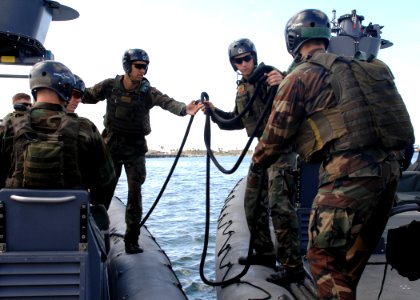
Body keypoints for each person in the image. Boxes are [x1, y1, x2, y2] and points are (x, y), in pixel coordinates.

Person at [251, 9, 414, 298]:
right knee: (350, 259)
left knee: (323, 258)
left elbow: (275, 137)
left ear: (292, 41)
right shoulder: (367, 66)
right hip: (388, 174)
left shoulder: (300, 76)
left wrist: (257, 162)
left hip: (349, 175)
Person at [82, 48, 203, 254]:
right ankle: (93, 236)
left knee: (135, 194)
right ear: (127, 67)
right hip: (111, 146)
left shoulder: (147, 91)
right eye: (138, 66)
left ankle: (132, 240)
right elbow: (86, 95)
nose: (143, 70)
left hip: (135, 148)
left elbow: (167, 102)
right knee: (102, 192)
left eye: (145, 67)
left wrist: (185, 109)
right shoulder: (110, 86)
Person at [203, 38, 303, 279]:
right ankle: (265, 252)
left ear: (254, 58)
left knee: (280, 206)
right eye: (239, 60)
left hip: (281, 148)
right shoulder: (243, 88)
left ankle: (293, 267)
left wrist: (283, 81)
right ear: (233, 64)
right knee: (252, 203)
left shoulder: (272, 76)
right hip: (262, 150)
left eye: (248, 58)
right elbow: (238, 120)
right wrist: (214, 112)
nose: (244, 63)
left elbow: (295, 97)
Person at [0, 60, 117, 211]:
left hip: (15, 224)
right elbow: (107, 181)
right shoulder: (85, 128)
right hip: (72, 226)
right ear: (66, 88)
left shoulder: (9, 125)